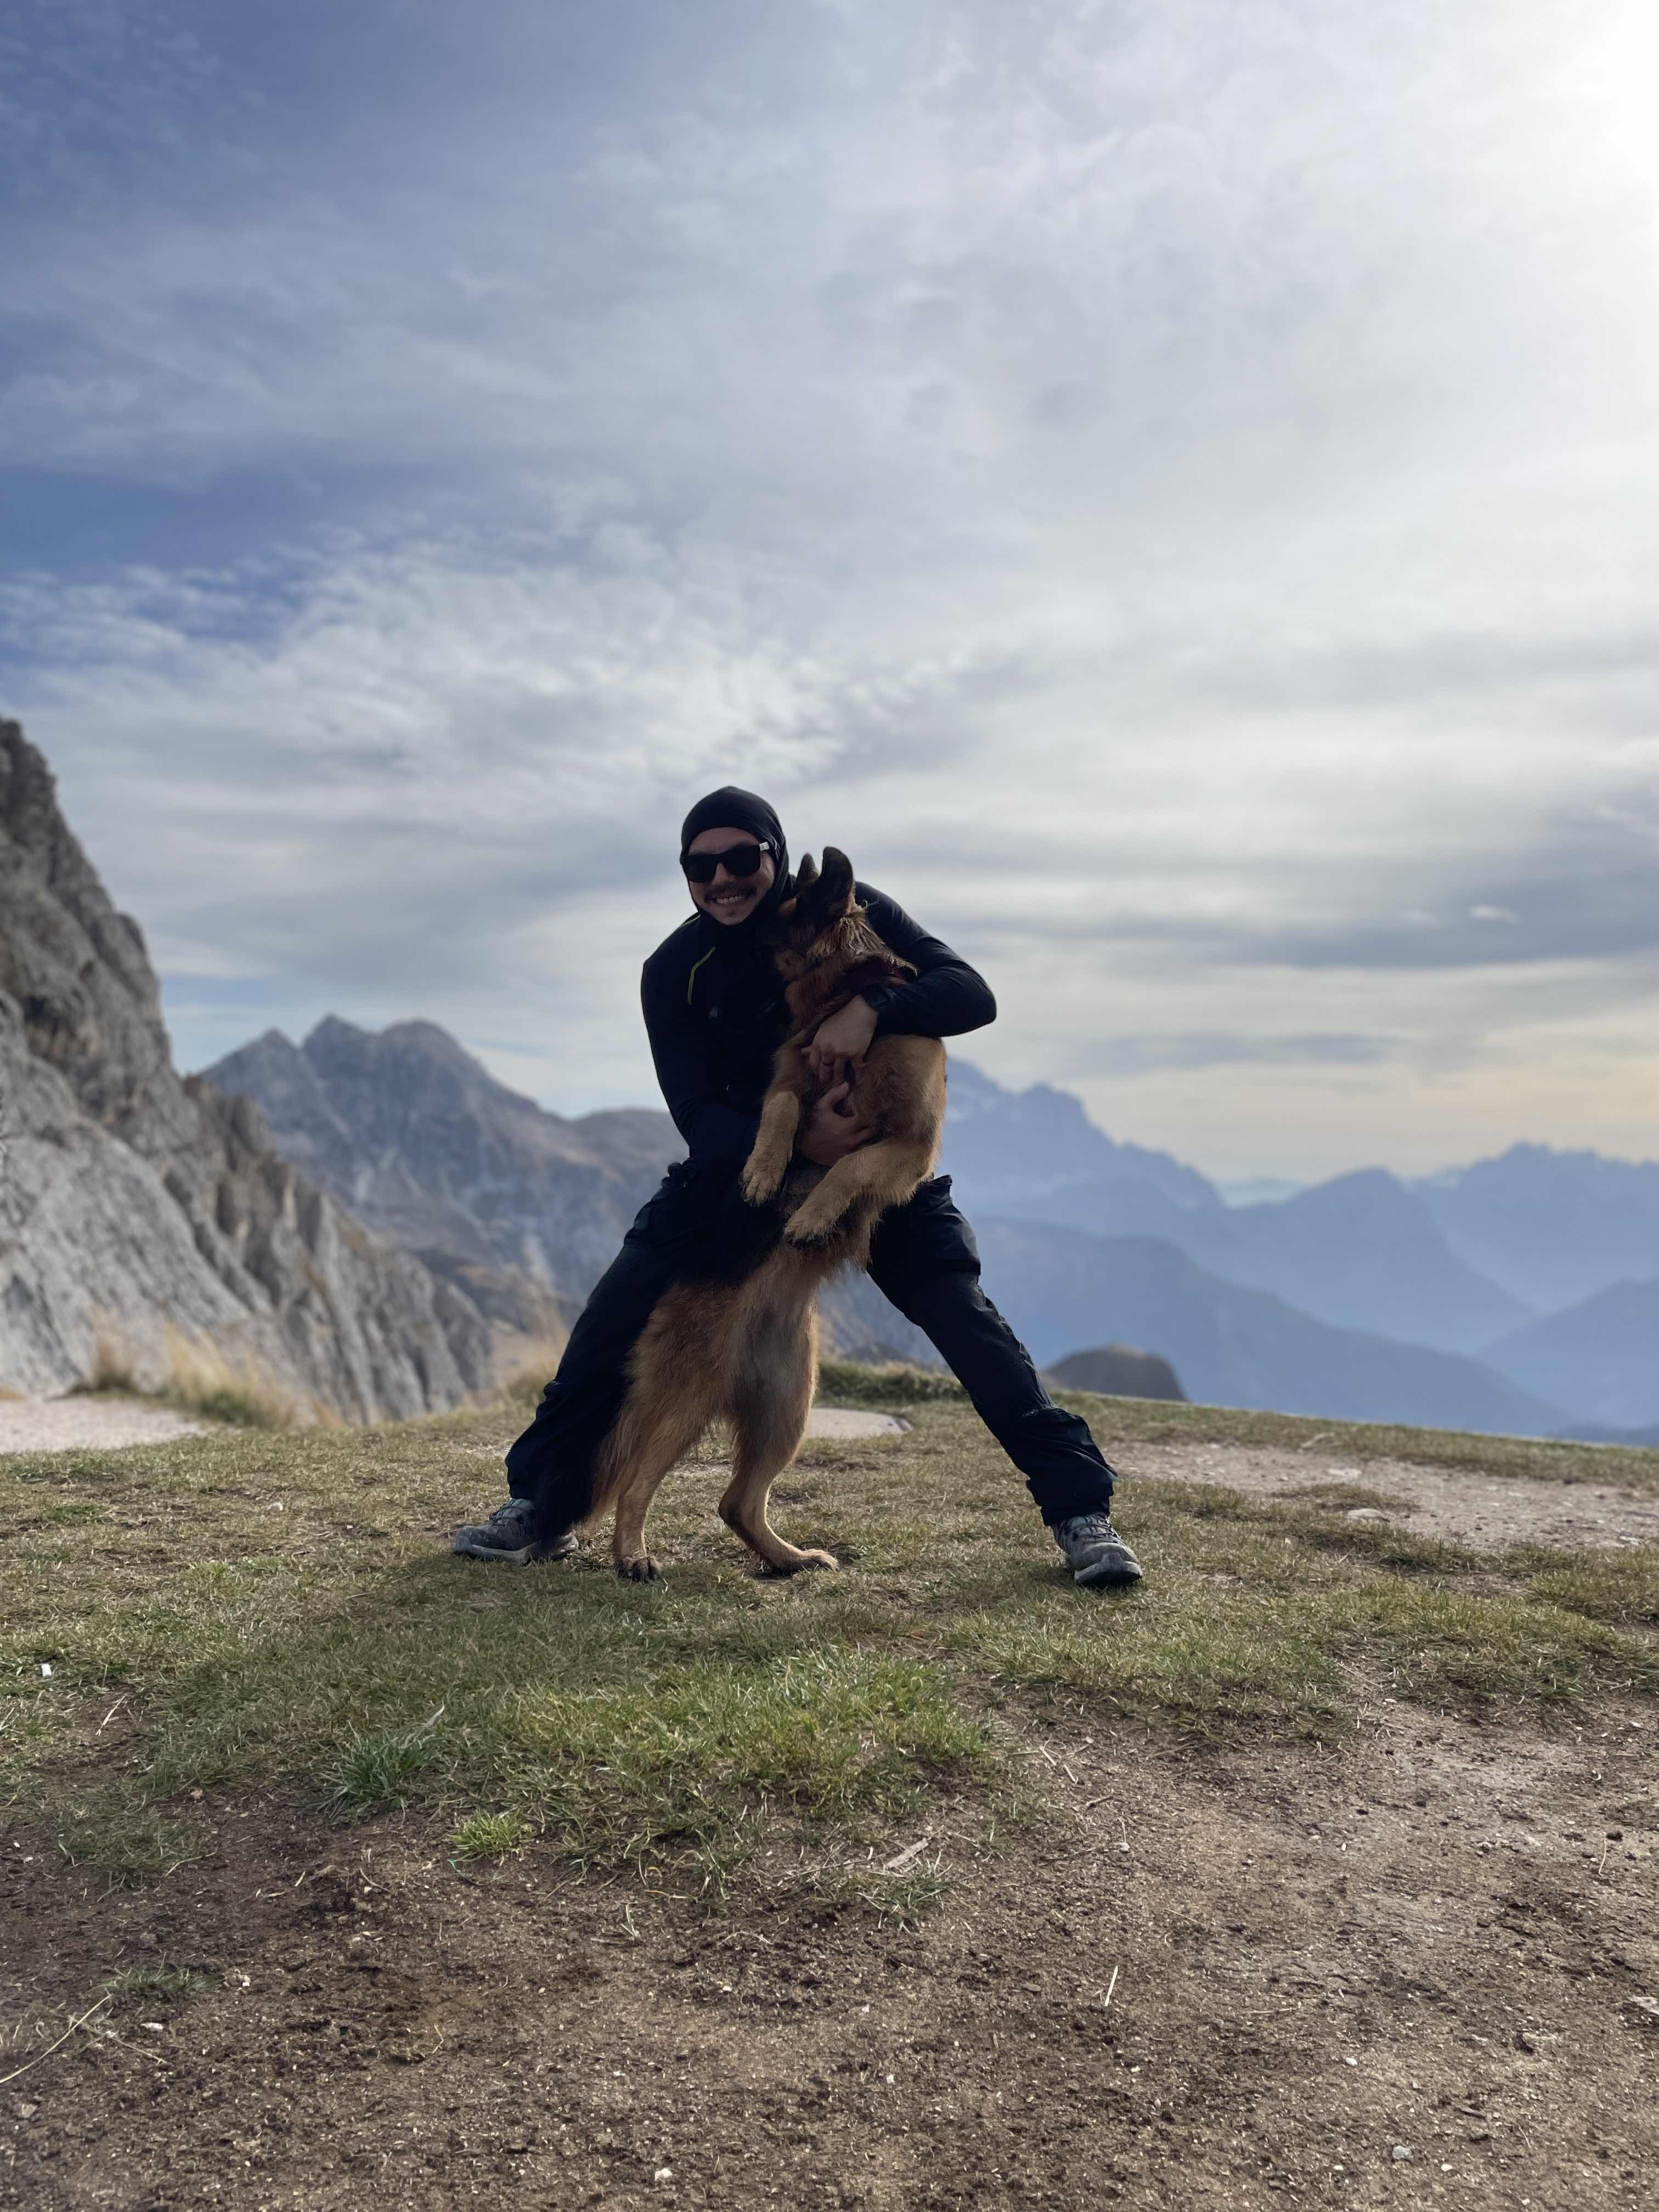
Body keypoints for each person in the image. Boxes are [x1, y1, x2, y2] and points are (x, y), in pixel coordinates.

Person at [453, 787, 1143, 1588]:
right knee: (614, 1313)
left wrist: (874, 1008)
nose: (723, 880)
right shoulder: (673, 970)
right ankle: (537, 1507)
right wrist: (799, 1137)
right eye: (701, 867)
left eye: (741, 858)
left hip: (879, 1169)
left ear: (774, 855)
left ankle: (1081, 1513)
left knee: (965, 1319)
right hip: (745, 1169)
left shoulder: (852, 911)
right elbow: (696, 1115)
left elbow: (971, 994)